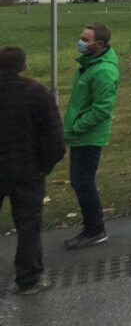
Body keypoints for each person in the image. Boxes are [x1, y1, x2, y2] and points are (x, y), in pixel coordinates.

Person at [0, 46, 66, 294]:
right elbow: (53, 136)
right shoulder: (35, 93)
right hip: (26, 169)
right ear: (23, 65)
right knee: (28, 223)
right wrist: (45, 165)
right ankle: (29, 278)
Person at [63, 23, 119, 250]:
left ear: (99, 44)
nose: (80, 42)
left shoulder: (103, 71)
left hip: (88, 136)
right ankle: (93, 227)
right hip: (80, 134)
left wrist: (76, 127)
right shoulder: (89, 65)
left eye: (85, 40)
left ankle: (95, 230)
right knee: (80, 181)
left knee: (83, 182)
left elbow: (102, 109)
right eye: (81, 37)